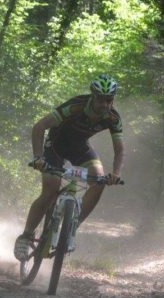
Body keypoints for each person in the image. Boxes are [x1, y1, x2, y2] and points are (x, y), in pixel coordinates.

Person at [13, 75, 124, 260]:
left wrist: (116, 174)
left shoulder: (113, 117)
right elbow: (39, 127)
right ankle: (26, 236)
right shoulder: (76, 105)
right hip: (55, 146)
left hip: (80, 148)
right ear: (92, 96)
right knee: (50, 190)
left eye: (109, 100)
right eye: (100, 99)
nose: (104, 104)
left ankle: (71, 227)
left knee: (99, 180)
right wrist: (38, 158)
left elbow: (120, 150)